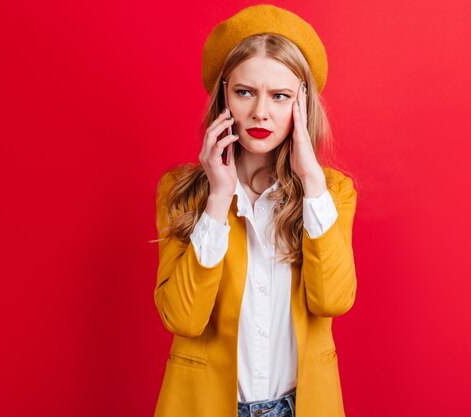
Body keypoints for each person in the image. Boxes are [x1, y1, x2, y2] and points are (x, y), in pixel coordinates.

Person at [153, 5, 358, 417]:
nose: (260, 112)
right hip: (207, 406)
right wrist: (217, 197)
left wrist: (311, 182)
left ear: (301, 104)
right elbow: (183, 318)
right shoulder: (181, 191)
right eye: (245, 92)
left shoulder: (331, 193)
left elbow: (333, 300)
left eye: (280, 96)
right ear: (224, 95)